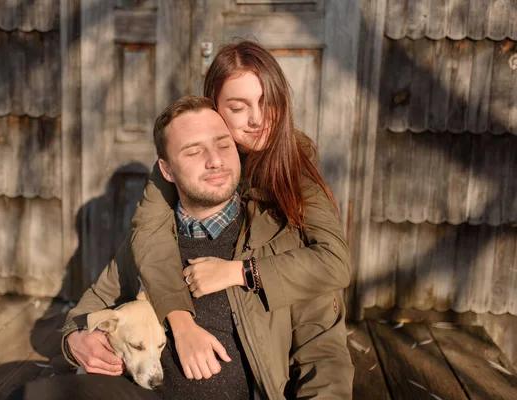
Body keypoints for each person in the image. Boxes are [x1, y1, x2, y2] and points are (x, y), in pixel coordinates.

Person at [51, 96, 353, 400]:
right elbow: (89, 308)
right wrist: (74, 341)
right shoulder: (147, 242)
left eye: (223, 145)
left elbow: (323, 356)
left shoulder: (283, 241)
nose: (215, 160)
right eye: (193, 151)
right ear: (167, 171)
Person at [130, 40, 352, 382]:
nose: (257, 119)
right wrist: (181, 321)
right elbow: (148, 234)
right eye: (238, 107)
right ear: (214, 107)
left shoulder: (294, 165)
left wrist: (240, 272)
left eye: (268, 102)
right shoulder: (185, 162)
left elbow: (335, 261)